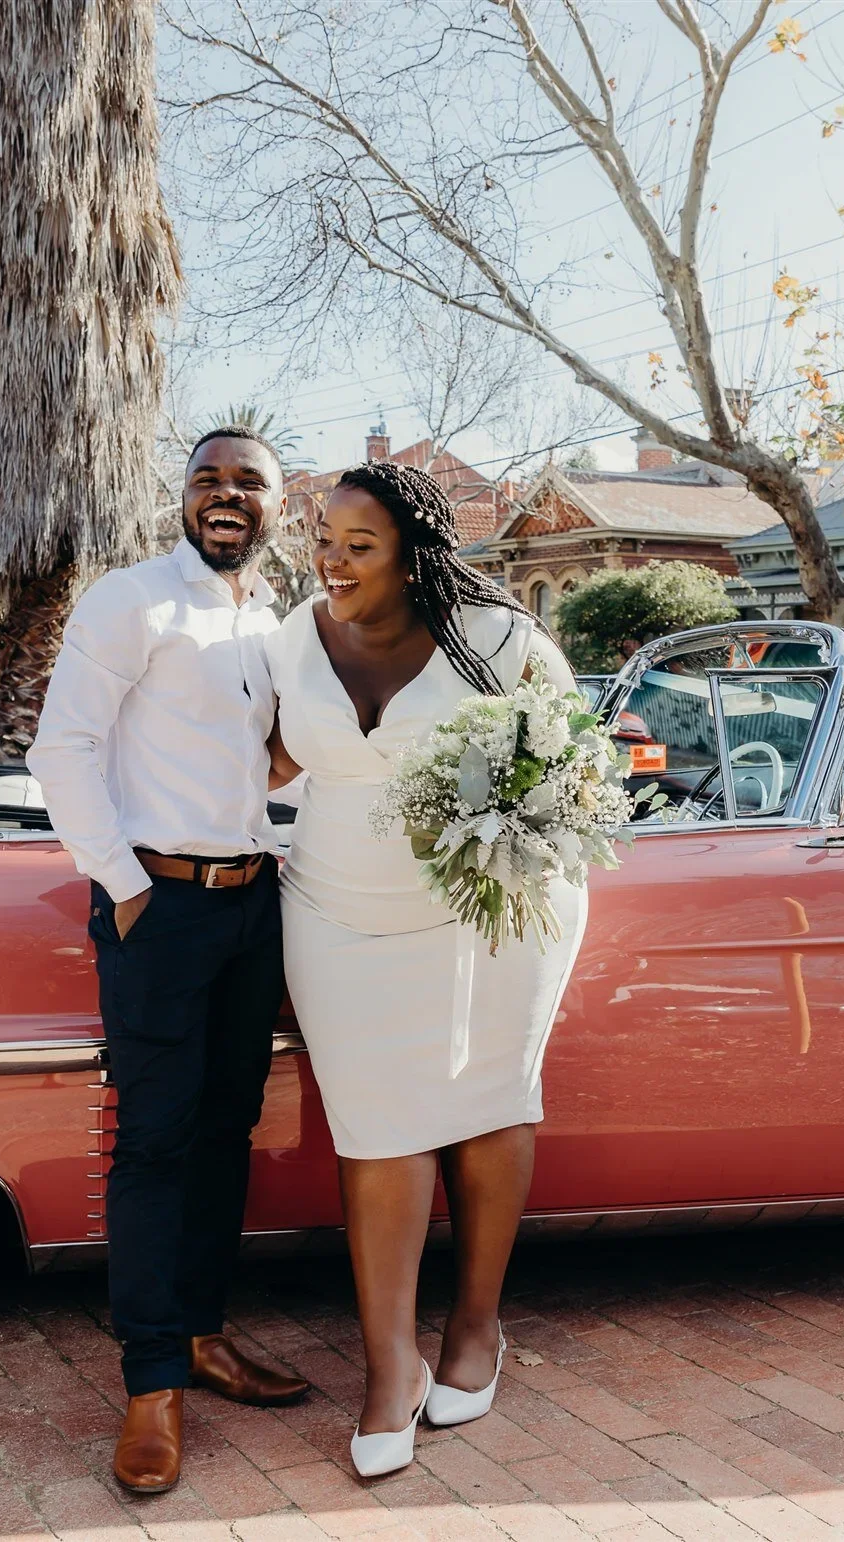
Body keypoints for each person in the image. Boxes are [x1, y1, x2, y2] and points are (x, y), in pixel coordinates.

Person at [263, 461, 586, 1478]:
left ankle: (475, 1331)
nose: (331, 560)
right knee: (375, 1128)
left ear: (412, 551)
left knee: (490, 1103)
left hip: (488, 912)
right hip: (334, 908)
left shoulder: (495, 638)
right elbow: (263, 759)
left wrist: (512, 823)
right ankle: (386, 1367)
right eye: (323, 539)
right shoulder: (290, 638)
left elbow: (572, 760)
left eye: (357, 546)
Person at [26, 426, 310, 1497]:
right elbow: (63, 747)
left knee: (226, 1131)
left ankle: (198, 1335)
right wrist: (124, 885)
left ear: (279, 504)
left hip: (253, 907)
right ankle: (150, 1385)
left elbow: (275, 763)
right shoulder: (131, 599)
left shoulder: (272, 623)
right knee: (150, 1146)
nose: (226, 495)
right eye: (208, 479)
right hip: (160, 909)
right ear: (182, 498)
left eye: (249, 482)